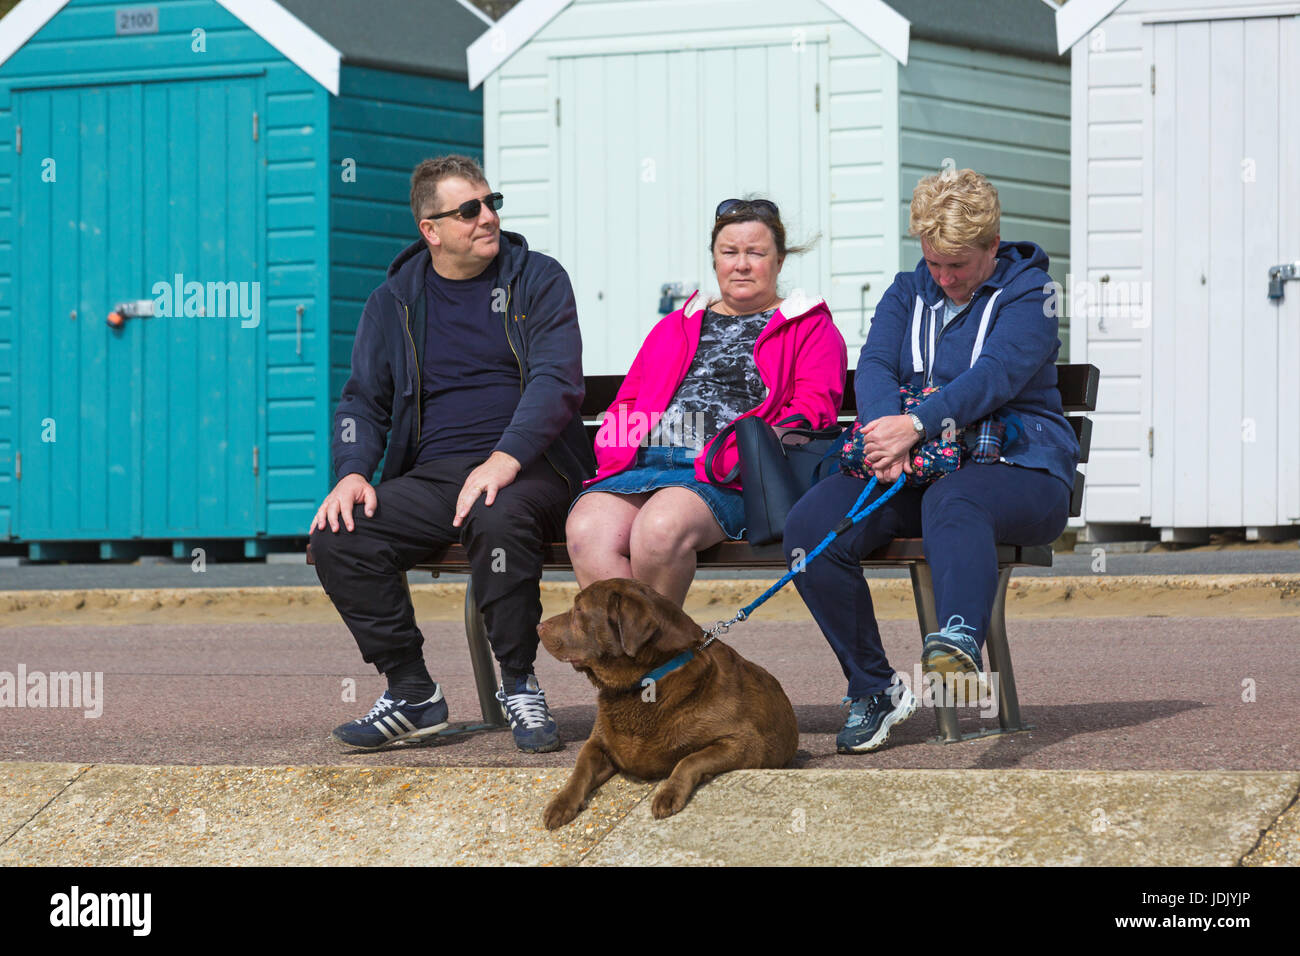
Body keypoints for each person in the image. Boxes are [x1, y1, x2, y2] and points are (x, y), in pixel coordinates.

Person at [783, 169, 1079, 753]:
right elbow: (874, 368)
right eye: (934, 263)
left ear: (993, 246)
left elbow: (995, 376)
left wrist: (913, 426)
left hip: (1020, 470)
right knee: (808, 530)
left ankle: (958, 642)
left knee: (956, 498)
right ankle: (875, 687)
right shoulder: (906, 289)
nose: (944, 279)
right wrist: (881, 438)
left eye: (960, 266)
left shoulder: (1032, 293)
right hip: (911, 468)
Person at [309, 155, 594, 753]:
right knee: (341, 533)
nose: (486, 218)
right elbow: (362, 401)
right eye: (468, 210)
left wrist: (505, 458)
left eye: (491, 203)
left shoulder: (537, 279)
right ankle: (412, 692)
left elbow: (557, 381)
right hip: (436, 477)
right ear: (431, 230)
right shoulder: (393, 303)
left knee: (497, 511)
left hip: (534, 468)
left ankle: (518, 681)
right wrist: (353, 473)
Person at [566, 199, 847, 606]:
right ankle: (642, 664)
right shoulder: (673, 327)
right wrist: (615, 444)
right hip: (643, 464)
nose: (742, 264)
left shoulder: (810, 328)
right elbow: (628, 399)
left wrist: (738, 454)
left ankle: (657, 664)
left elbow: (812, 411)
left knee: (659, 529)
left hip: (724, 473)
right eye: (729, 252)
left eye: (756, 253)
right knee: (585, 530)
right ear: (715, 259)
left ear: (780, 261)